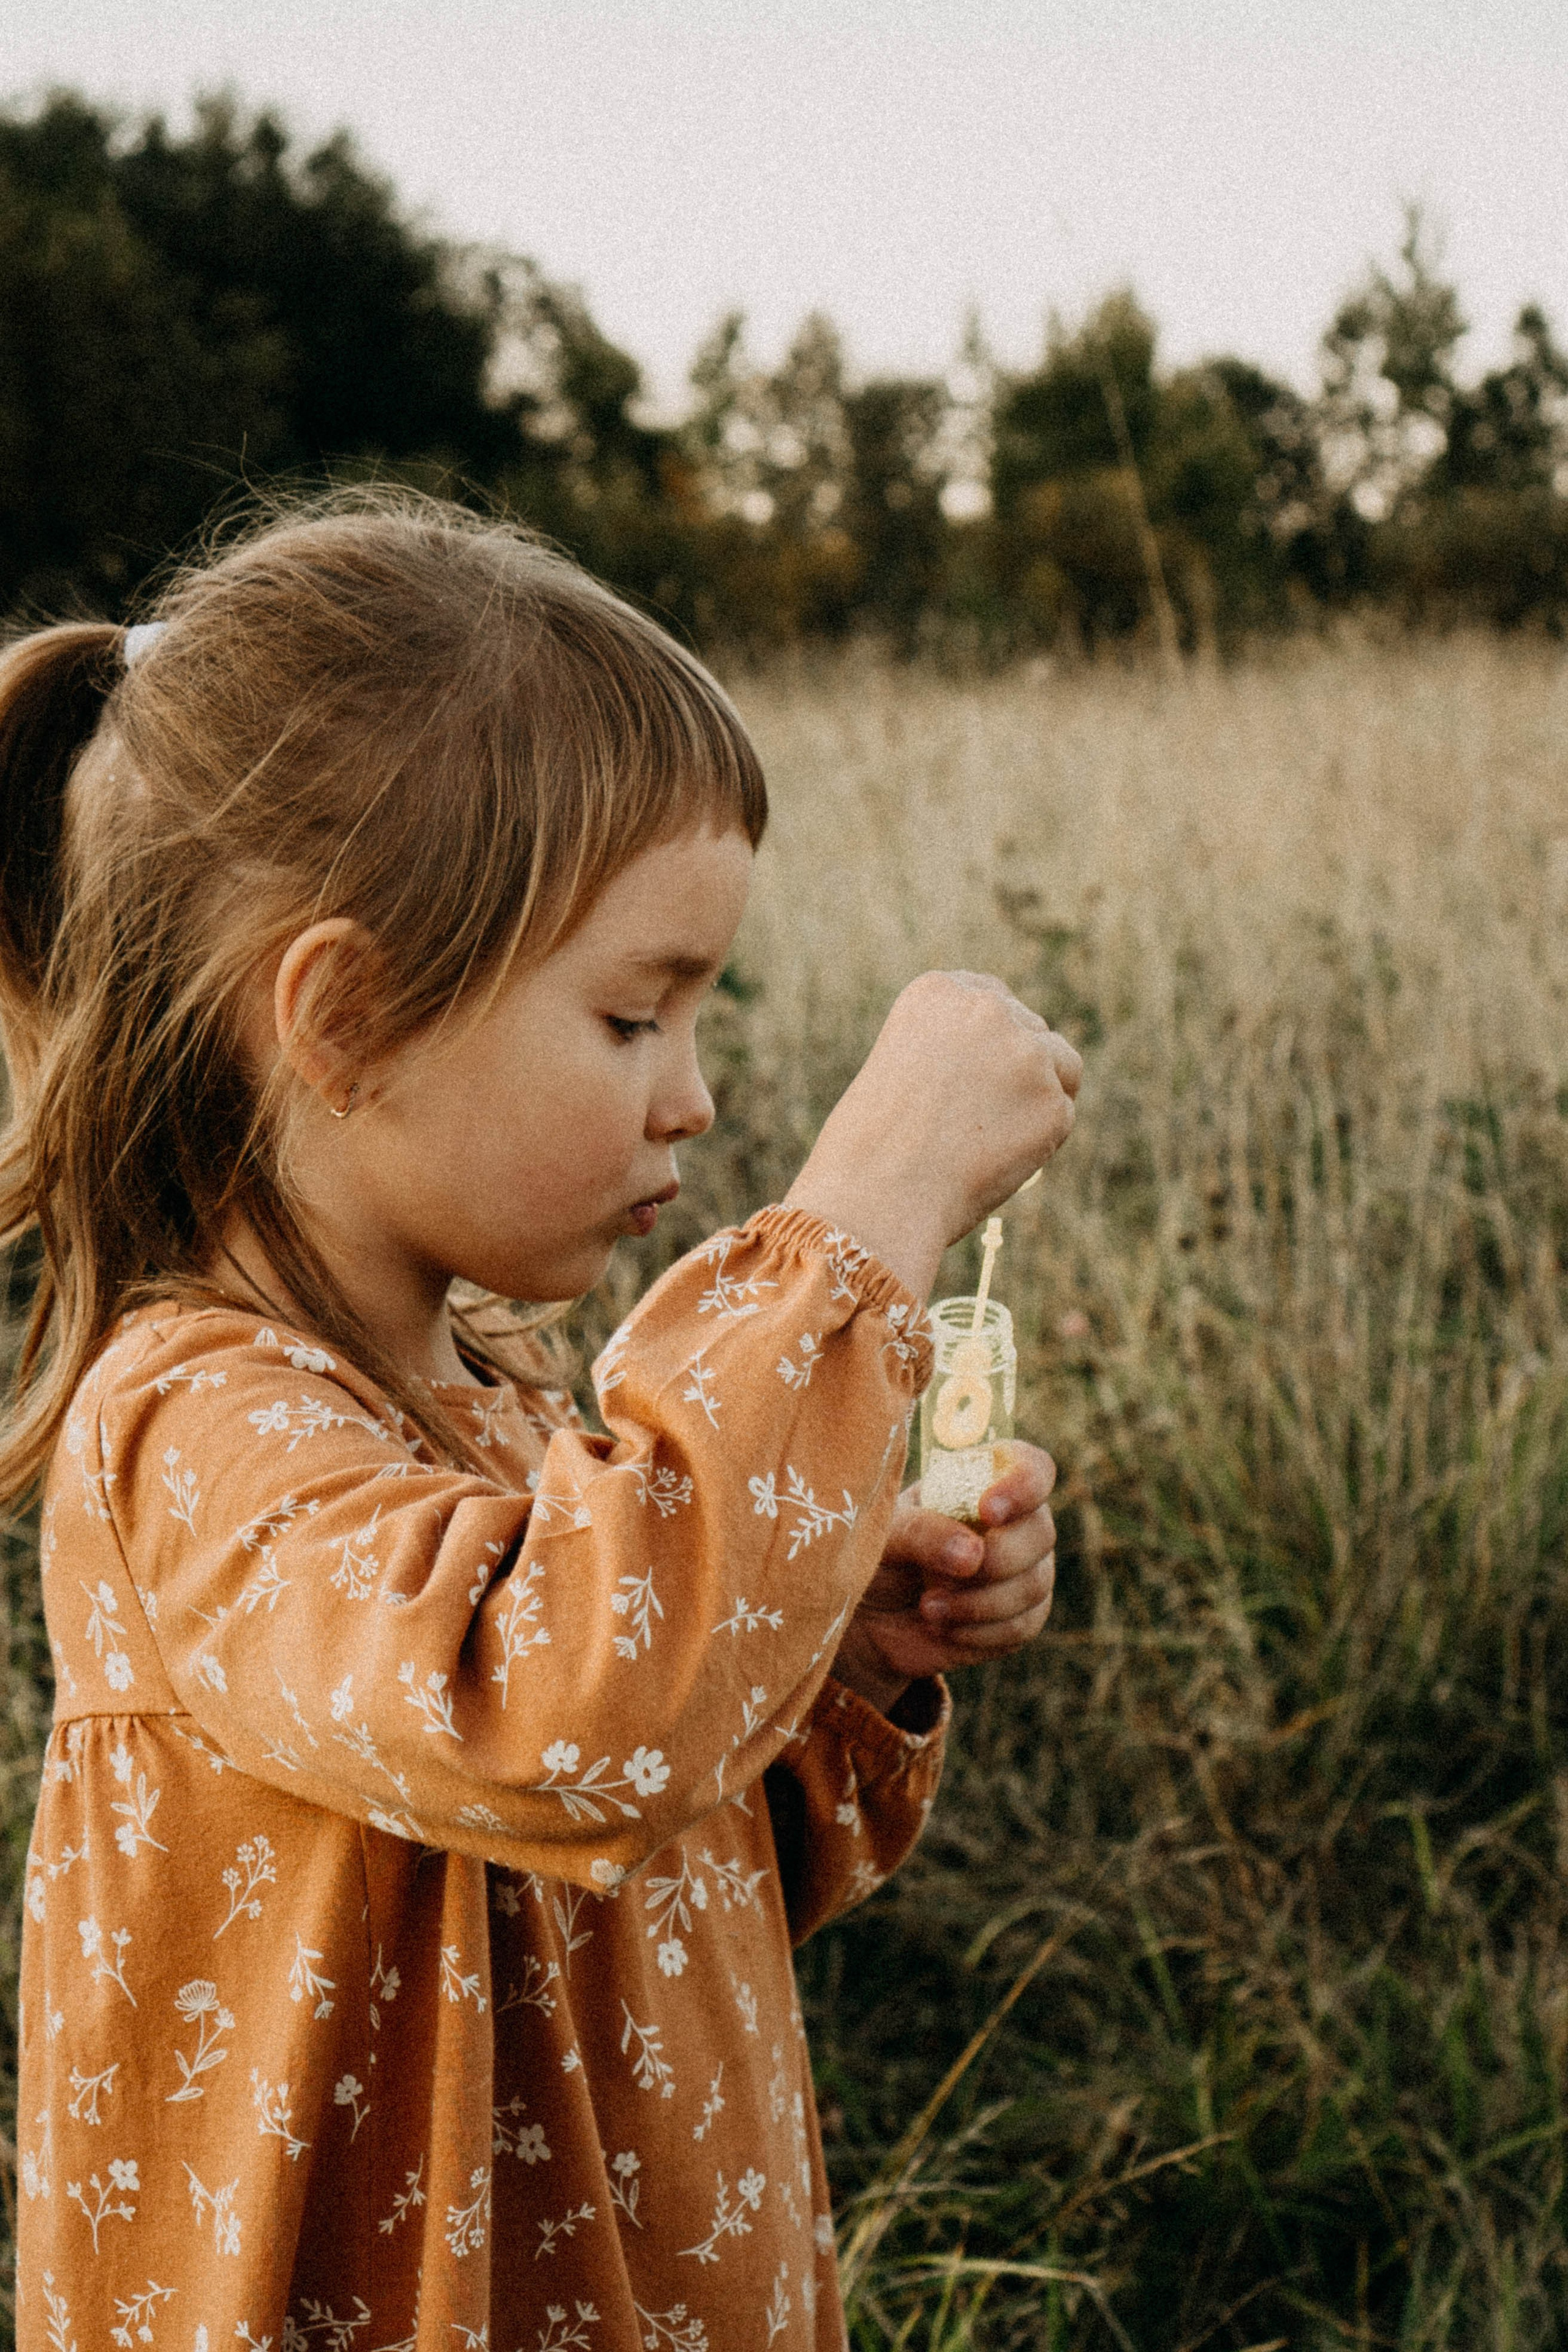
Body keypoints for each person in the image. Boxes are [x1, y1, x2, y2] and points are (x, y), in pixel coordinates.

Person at [1, 494, 1081, 2350]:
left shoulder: (494, 1414)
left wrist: (833, 1656)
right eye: (631, 1017)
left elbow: (645, 1846)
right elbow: (572, 1705)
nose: (697, 1096)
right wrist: (865, 1214)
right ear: (343, 1022)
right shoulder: (188, 1435)